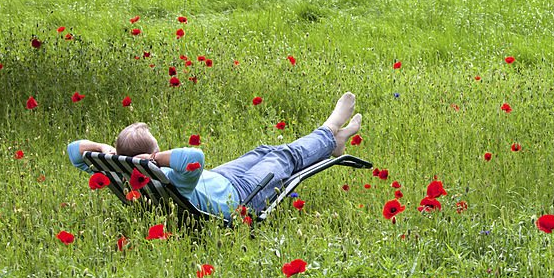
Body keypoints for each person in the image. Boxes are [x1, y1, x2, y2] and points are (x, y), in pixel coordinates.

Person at [66, 92, 362, 220]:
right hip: (240, 198)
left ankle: (333, 144)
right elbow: (195, 157)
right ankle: (330, 128)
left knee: (263, 151)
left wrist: (108, 152)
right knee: (285, 156)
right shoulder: (169, 176)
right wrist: (156, 160)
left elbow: (74, 151)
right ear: (153, 153)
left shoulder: (118, 173)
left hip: (219, 180)